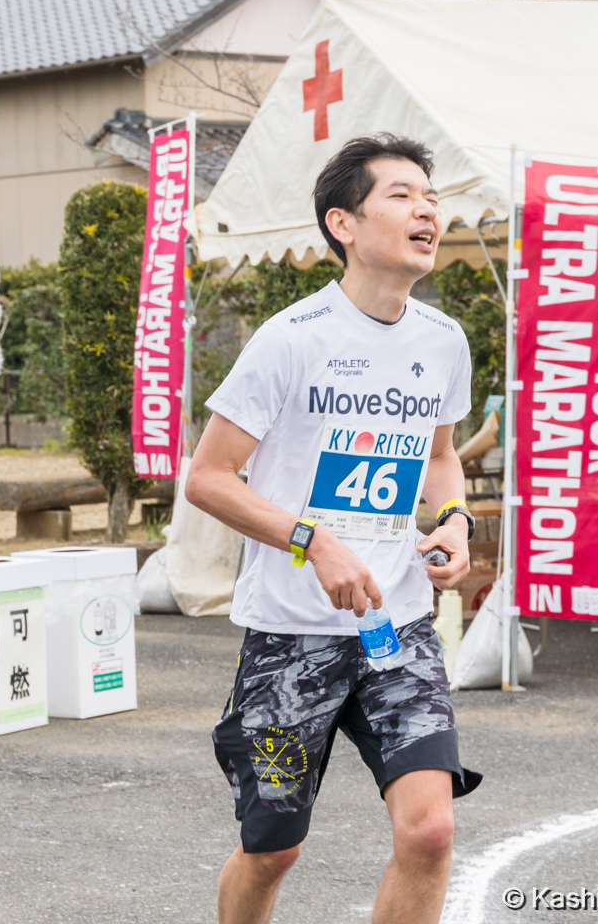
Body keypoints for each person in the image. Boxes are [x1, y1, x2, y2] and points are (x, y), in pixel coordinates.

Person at [187, 133, 479, 924]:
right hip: (290, 637)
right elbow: (207, 478)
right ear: (342, 224)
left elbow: (442, 457)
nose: (426, 210)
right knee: (273, 846)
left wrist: (455, 520)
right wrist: (312, 540)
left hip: (399, 627)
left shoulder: (444, 341)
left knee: (431, 831)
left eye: (431, 197)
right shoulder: (291, 339)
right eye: (401, 195)